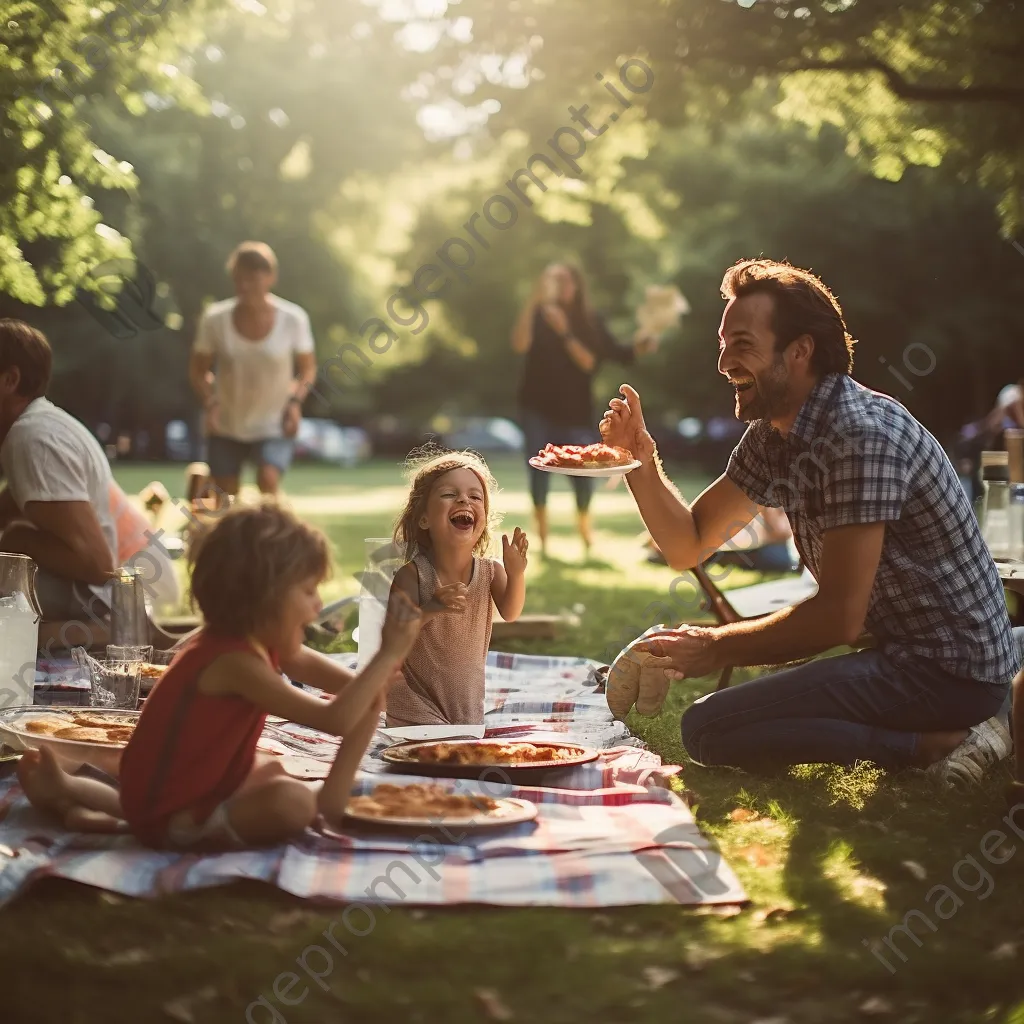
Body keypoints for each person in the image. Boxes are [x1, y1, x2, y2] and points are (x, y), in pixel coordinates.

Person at [600, 258, 1018, 785]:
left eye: (743, 344)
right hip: (897, 652)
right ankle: (939, 731)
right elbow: (688, 544)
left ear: (799, 351)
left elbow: (838, 618)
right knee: (716, 725)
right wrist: (638, 456)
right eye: (723, 343)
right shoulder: (775, 432)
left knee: (709, 726)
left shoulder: (858, 436)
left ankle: (932, 743)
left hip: (950, 671)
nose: (725, 361)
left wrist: (715, 647)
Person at [16, 503, 426, 847]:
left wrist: (374, 683)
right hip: (175, 812)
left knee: (268, 769)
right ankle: (161, 833)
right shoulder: (235, 663)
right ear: (262, 598)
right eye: (307, 592)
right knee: (292, 803)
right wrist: (387, 654)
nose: (317, 606)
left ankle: (73, 796)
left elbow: (348, 691)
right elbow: (335, 719)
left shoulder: (253, 643)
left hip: (163, 793)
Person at [512, 262, 656, 558]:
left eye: (565, 280)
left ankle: (585, 534)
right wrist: (533, 302)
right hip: (536, 408)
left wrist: (564, 332)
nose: (559, 285)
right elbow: (519, 343)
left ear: (576, 285)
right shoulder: (538, 315)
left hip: (574, 410)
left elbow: (592, 361)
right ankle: (542, 541)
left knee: (583, 473)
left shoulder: (588, 320)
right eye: (552, 279)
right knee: (538, 474)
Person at [385, 450, 529, 727]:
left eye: (475, 497)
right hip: (414, 703)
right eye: (449, 494)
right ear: (423, 518)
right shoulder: (412, 576)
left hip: (464, 703)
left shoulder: (490, 572)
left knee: (462, 748)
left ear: (483, 518)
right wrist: (431, 609)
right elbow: (393, 635)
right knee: (434, 753)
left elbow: (511, 612)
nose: (464, 499)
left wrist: (516, 574)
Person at [0, 319, 116, 623]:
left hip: (92, 602)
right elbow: (21, 503)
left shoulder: (32, 439)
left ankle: (96, 634)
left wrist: (18, 539)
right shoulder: (34, 429)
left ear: (9, 380)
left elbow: (98, 565)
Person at [189, 241, 318, 502]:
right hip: (227, 423)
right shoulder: (215, 319)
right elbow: (197, 370)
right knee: (223, 499)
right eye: (238, 279)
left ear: (270, 277)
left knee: (268, 480)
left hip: (274, 422)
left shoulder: (293, 319)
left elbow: (307, 370)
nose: (244, 286)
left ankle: (276, 540)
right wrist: (210, 401)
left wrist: (295, 403)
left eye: (251, 278)